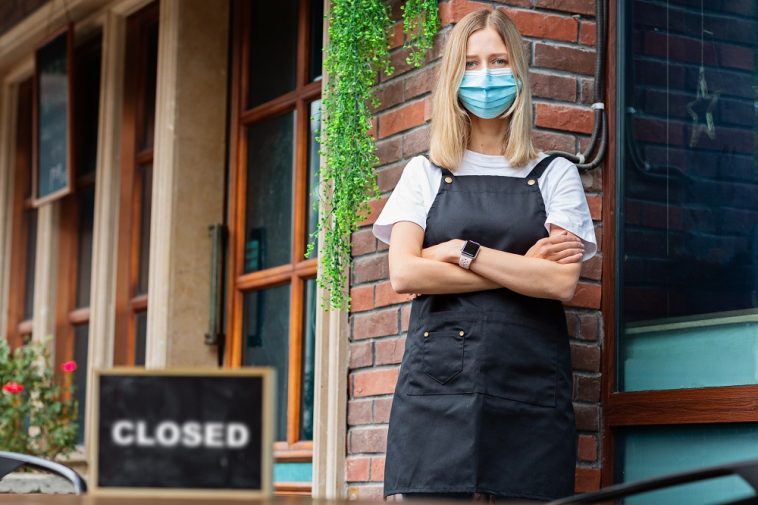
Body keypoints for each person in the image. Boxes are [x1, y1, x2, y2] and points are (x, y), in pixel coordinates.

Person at [371, 8, 598, 503]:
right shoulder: (425, 172)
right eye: (471, 64)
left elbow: (561, 284)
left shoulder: (555, 173)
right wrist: (522, 269)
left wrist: (460, 251)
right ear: (453, 77)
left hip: (529, 386)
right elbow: (405, 272)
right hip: (437, 387)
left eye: (498, 61)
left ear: (519, 71)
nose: (486, 76)